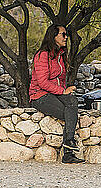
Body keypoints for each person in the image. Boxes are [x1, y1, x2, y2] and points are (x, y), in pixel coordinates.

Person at [30, 24, 84, 164]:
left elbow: (60, 80)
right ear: (53, 37)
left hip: (55, 93)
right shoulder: (43, 55)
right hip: (39, 95)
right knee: (69, 112)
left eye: (66, 35)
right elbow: (42, 82)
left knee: (72, 102)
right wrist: (62, 91)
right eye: (63, 34)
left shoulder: (60, 55)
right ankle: (69, 149)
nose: (66, 37)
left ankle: (69, 146)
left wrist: (65, 92)